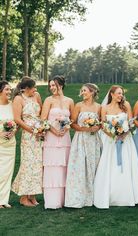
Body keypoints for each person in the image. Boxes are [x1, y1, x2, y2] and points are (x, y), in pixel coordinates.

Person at [94, 85, 138, 208]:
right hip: (110, 141)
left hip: (126, 140)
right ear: (112, 94)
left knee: (126, 164)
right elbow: (103, 125)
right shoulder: (104, 108)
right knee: (110, 165)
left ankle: (126, 195)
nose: (121, 96)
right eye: (118, 93)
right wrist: (113, 135)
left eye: (122, 93)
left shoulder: (126, 105)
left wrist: (123, 134)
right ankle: (109, 195)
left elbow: (131, 122)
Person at [65, 83, 101, 208]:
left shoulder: (98, 107)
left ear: (92, 92)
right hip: (80, 140)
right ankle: (78, 197)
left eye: (85, 90)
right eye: (82, 90)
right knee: (79, 167)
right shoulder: (78, 105)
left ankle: (93, 197)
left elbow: (101, 123)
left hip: (94, 141)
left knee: (93, 166)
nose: (82, 92)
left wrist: (96, 127)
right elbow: (72, 123)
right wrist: (83, 129)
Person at [41, 75, 74, 209]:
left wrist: (66, 127)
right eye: (50, 86)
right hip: (52, 137)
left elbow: (72, 120)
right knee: (52, 166)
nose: (52, 88)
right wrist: (54, 131)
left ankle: (66, 199)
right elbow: (43, 119)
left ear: (61, 85)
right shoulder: (48, 100)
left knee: (64, 166)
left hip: (65, 137)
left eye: (54, 85)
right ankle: (52, 201)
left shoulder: (70, 101)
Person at [12, 76, 43, 207]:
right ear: (26, 88)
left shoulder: (36, 96)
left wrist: (41, 128)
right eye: (33, 88)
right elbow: (18, 119)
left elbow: (41, 113)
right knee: (27, 164)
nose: (35, 90)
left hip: (39, 134)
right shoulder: (19, 99)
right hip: (28, 135)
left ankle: (33, 195)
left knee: (38, 165)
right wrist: (32, 130)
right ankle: (24, 197)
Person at [0, 81, 16, 208]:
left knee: (7, 172)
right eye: (7, 90)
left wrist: (14, 131)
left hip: (10, 143)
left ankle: (4, 200)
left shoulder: (12, 106)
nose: (9, 92)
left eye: (10, 90)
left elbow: (17, 123)